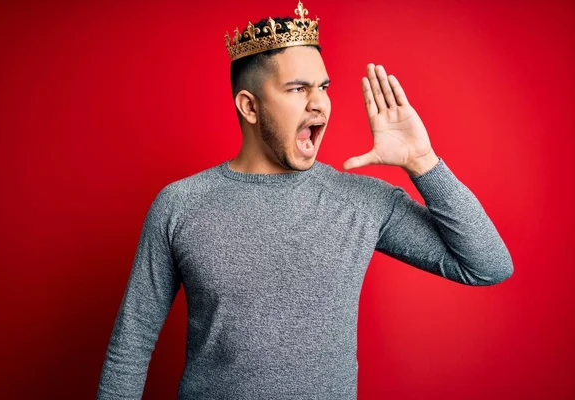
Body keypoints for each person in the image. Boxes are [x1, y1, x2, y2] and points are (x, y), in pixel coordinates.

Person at [97, 2, 513, 399]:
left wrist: (423, 162)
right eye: (298, 88)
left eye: (323, 87)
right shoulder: (180, 205)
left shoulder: (361, 201)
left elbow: (487, 266)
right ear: (250, 106)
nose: (319, 103)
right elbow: (130, 347)